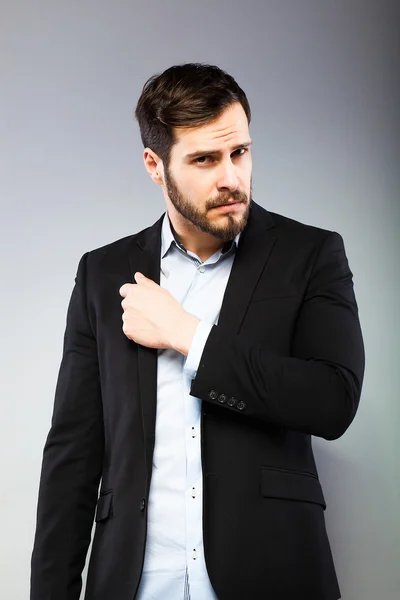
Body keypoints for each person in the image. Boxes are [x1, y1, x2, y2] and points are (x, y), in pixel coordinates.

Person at [30, 63, 365, 600]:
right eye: (205, 159)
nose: (230, 177)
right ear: (155, 165)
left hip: (270, 576)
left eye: (240, 153)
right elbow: (72, 454)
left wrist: (189, 335)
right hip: (134, 582)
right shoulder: (102, 272)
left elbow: (332, 401)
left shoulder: (310, 255)